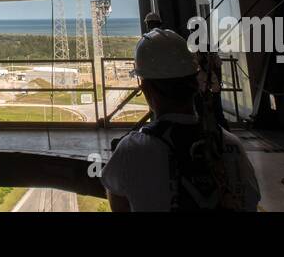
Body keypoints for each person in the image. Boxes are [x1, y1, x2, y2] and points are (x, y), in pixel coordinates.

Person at [101, 28, 260, 211]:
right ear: (194, 83)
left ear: (145, 89)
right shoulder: (232, 147)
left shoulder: (131, 150)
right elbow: (250, 201)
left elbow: (117, 197)